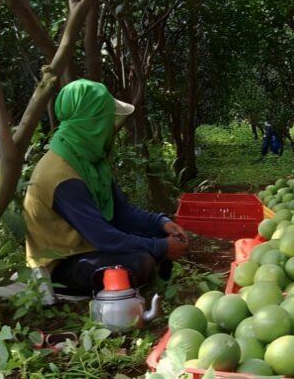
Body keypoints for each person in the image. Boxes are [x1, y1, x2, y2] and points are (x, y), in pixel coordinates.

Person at [23, 79, 187, 295]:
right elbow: (104, 237)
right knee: (140, 261)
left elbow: (122, 213)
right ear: (94, 123)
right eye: (107, 119)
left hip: (88, 247)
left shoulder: (88, 161)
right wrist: (161, 248)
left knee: (152, 242)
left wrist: (161, 223)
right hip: (62, 264)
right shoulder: (60, 175)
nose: (112, 127)